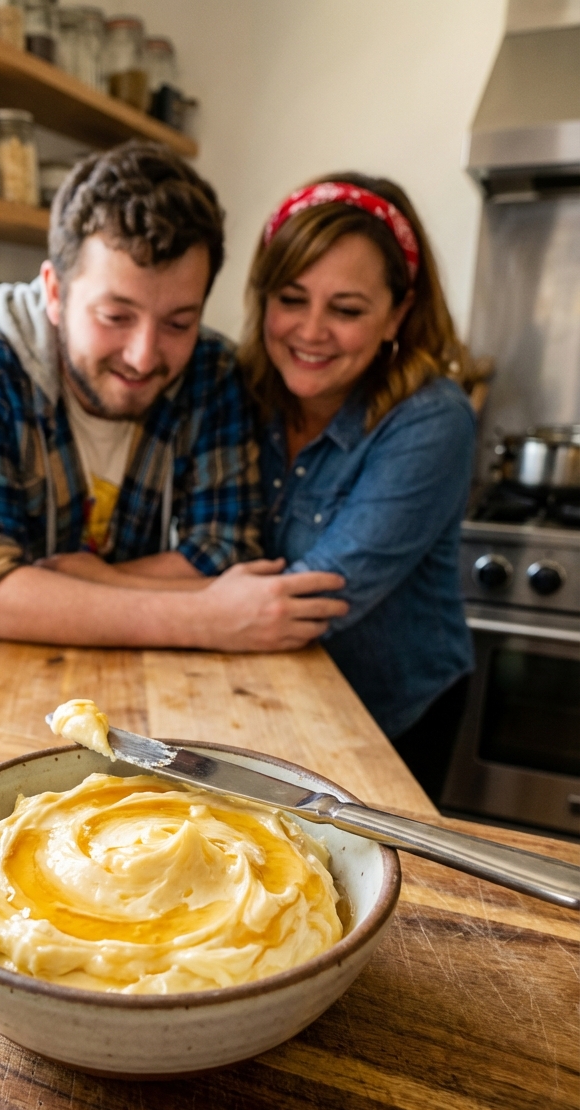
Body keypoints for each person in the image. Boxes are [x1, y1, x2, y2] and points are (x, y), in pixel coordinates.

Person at [0, 142, 346, 651]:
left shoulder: (214, 368)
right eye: (115, 317)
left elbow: (223, 548)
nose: (143, 356)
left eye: (178, 322)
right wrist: (205, 616)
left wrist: (78, 582)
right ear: (54, 292)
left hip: (133, 669)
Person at [239, 174, 476, 800]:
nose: (310, 331)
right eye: (291, 298)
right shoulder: (242, 391)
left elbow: (311, 601)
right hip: (265, 701)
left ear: (397, 312)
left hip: (392, 715)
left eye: (345, 310)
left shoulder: (433, 418)